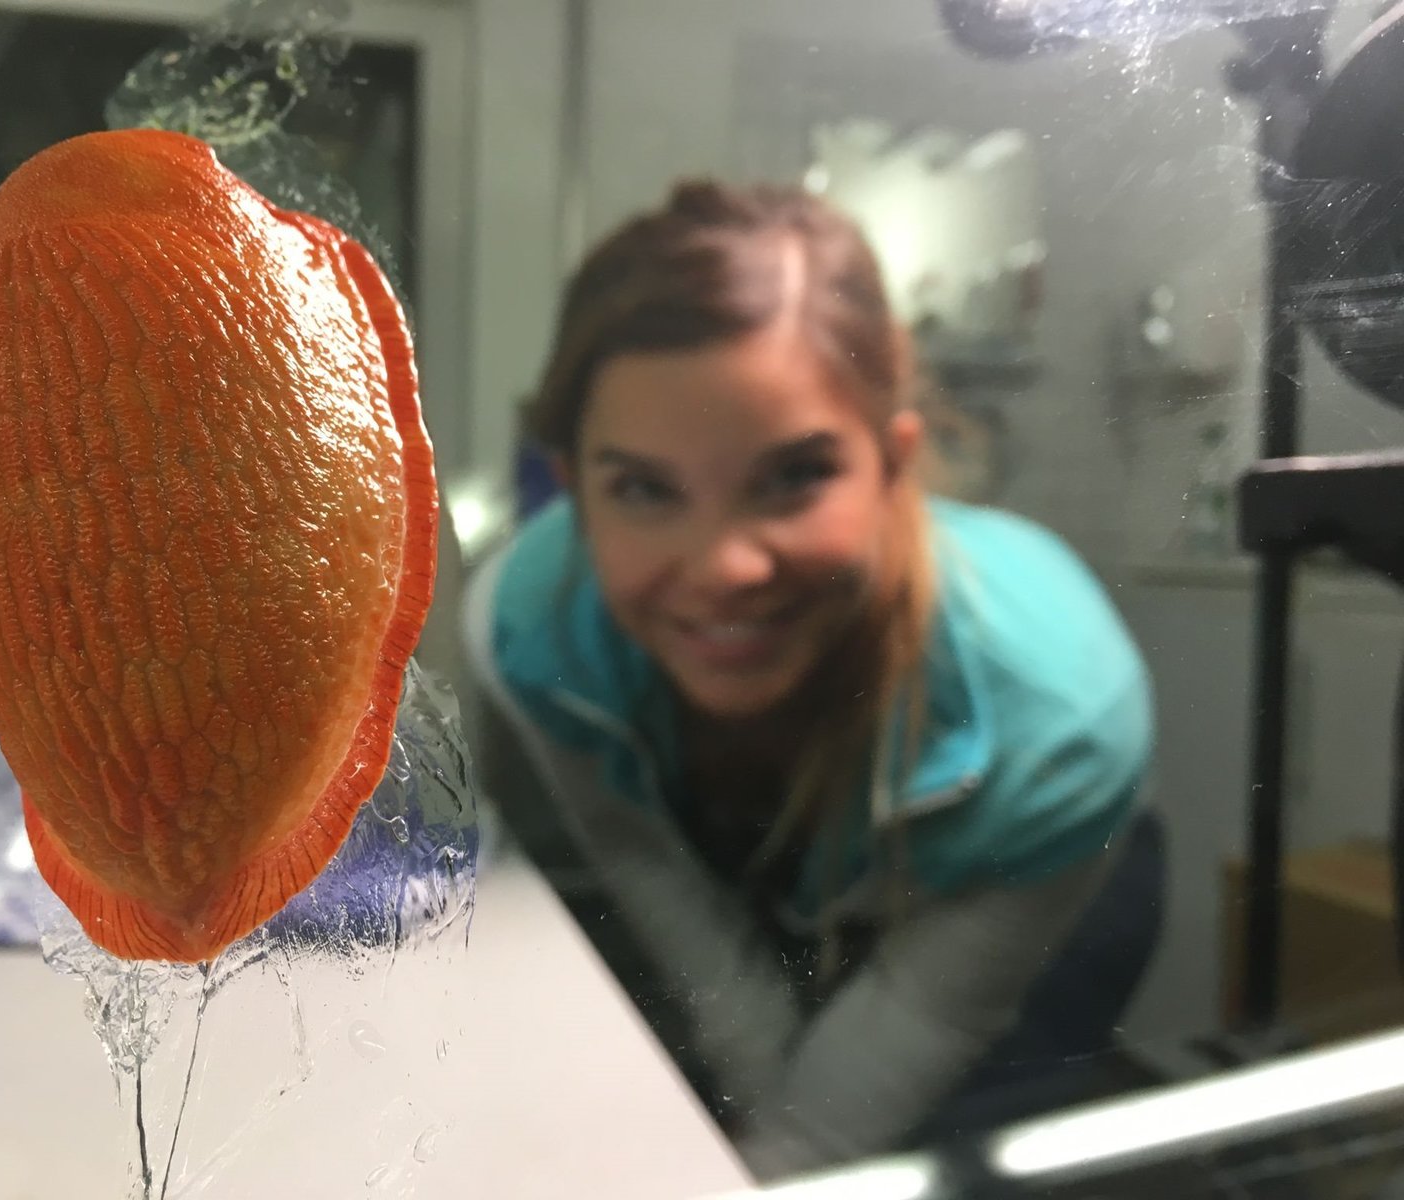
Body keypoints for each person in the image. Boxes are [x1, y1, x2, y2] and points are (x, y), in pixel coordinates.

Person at [461, 180, 1161, 1176]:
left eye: (794, 477)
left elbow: (922, 1018)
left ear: (893, 462)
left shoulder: (1059, 708)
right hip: (784, 862)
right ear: (575, 494)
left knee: (975, 1142)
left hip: (1030, 841)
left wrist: (785, 1156)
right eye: (643, 489)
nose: (724, 567)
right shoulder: (536, 633)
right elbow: (655, 883)